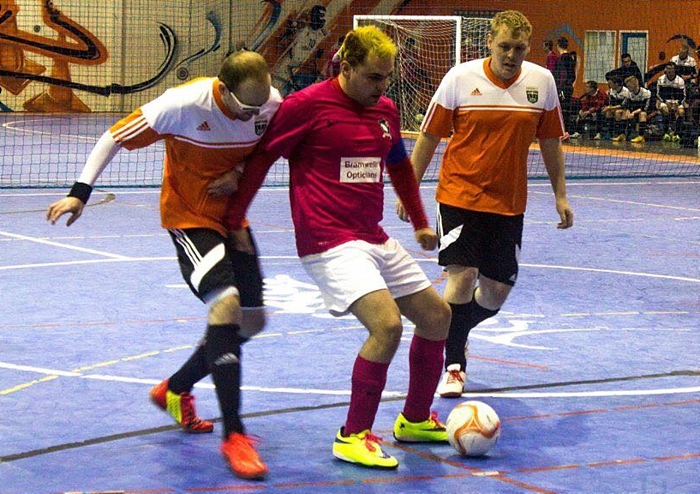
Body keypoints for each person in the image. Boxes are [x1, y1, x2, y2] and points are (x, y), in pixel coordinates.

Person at [45, 50, 283, 480]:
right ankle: (235, 434)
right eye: (245, 106)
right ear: (223, 90)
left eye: (260, 104)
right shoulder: (182, 105)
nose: (254, 113)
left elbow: (268, 148)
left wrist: (241, 173)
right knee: (226, 307)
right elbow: (113, 137)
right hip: (189, 217)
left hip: (233, 218)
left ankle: (174, 389)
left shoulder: (269, 102)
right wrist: (80, 192)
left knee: (252, 323)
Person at [224, 25, 452, 469]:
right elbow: (262, 159)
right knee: (386, 326)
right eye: (373, 77)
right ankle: (352, 435)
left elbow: (400, 166)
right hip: (328, 240)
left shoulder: (383, 109)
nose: (382, 87)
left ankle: (416, 419)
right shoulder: (305, 107)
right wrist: (234, 221)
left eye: (387, 77)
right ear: (345, 67)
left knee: (437, 316)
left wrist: (421, 221)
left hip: (373, 235)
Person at [396, 10, 574, 398]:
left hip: (509, 203)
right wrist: (408, 192)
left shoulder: (541, 83)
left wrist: (560, 194)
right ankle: (454, 363)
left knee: (495, 292)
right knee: (461, 278)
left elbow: (550, 142)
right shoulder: (459, 79)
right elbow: (428, 137)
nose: (512, 55)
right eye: (505, 46)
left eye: (520, 48)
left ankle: (452, 328)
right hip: (459, 195)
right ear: (489, 43)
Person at [616, 74, 654, 143]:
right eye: (627, 86)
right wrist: (627, 110)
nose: (628, 87)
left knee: (642, 114)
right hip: (633, 111)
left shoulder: (646, 93)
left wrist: (633, 113)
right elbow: (626, 105)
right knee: (621, 112)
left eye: (629, 86)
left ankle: (641, 136)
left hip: (646, 112)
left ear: (635, 84)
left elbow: (644, 108)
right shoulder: (628, 93)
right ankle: (622, 134)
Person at [656, 62, 687, 141]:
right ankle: (666, 132)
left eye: (671, 69)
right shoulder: (661, 79)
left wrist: (677, 103)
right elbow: (658, 94)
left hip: (677, 101)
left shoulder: (680, 81)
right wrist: (665, 102)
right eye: (668, 69)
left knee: (681, 112)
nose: (670, 71)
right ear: (665, 69)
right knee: (665, 110)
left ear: (675, 70)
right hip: (665, 101)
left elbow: (683, 95)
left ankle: (677, 133)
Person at [553, 36, 578, 130]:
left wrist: (560, 87)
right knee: (566, 108)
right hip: (568, 86)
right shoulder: (570, 57)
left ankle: (565, 129)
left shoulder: (563, 58)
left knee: (563, 108)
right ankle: (565, 129)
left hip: (564, 87)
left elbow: (563, 74)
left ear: (558, 45)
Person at [601, 74, 631, 140]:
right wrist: (608, 107)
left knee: (617, 112)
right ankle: (610, 133)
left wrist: (610, 108)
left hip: (626, 109)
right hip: (616, 107)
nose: (609, 85)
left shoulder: (626, 91)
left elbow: (624, 105)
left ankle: (620, 133)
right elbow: (611, 103)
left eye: (611, 84)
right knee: (608, 112)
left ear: (616, 84)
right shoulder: (611, 91)